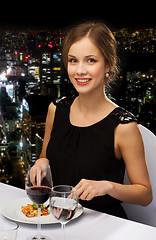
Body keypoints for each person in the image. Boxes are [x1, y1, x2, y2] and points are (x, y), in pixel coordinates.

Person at [30, 22, 153, 218]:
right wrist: (41, 163)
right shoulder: (56, 109)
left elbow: (145, 194)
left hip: (103, 223)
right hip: (58, 217)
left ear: (108, 65)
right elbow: (45, 156)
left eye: (90, 60)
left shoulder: (123, 125)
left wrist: (108, 186)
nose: (79, 70)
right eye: (73, 60)